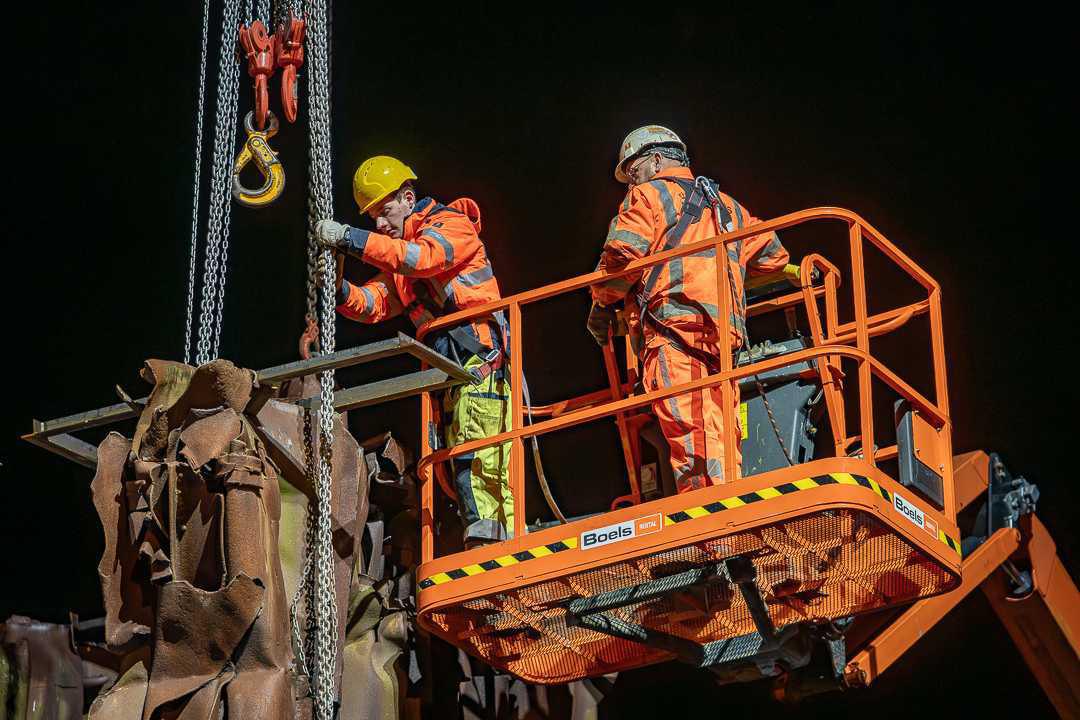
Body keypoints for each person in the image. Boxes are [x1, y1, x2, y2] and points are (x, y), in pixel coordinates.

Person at [314, 155, 513, 546]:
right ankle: (483, 540)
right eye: (372, 217)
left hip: (478, 359)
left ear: (408, 198)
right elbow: (374, 304)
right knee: (456, 458)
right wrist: (336, 288)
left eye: (384, 211)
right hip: (450, 368)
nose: (380, 224)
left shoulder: (450, 226)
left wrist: (349, 239)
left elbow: (422, 259)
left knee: (478, 454)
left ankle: (490, 547)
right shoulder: (402, 257)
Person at [588, 126, 790, 493]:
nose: (630, 185)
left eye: (633, 173)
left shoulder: (647, 197)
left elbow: (621, 257)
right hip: (721, 345)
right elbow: (776, 255)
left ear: (655, 160)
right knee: (721, 435)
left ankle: (710, 530)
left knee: (692, 438)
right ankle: (730, 519)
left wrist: (601, 299)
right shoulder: (726, 206)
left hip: (673, 336)